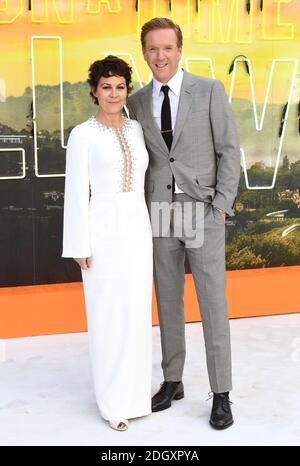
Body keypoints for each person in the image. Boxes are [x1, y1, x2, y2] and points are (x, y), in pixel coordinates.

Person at [128, 17, 241, 430]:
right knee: (168, 301)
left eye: (168, 48)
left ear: (180, 50)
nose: (160, 56)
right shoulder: (137, 101)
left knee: (212, 304)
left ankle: (222, 393)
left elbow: (230, 150)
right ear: (144, 52)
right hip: (159, 211)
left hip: (203, 210)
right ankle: (172, 380)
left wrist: (221, 207)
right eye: (153, 49)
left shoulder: (209, 90)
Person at [61, 56, 153, 431]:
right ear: (94, 91)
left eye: (119, 87)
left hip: (137, 229)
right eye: (106, 87)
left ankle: (135, 396)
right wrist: (80, 244)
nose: (113, 94)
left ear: (126, 90)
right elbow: (75, 192)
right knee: (107, 316)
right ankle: (113, 403)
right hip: (102, 232)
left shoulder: (135, 129)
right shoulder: (82, 134)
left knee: (135, 314)